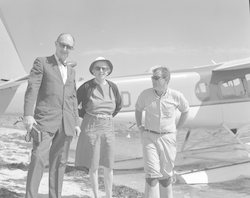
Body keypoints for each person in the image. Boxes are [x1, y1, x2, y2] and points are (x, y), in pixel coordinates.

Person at [23, 33, 81, 198]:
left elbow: (73, 98)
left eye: (68, 47)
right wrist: (28, 114)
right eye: (62, 45)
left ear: (72, 49)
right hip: (44, 121)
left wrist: (76, 122)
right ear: (56, 44)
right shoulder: (42, 62)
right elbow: (32, 88)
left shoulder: (72, 71)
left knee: (59, 164)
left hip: (66, 123)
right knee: (38, 158)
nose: (65, 49)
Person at [135, 66, 189, 198]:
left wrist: (177, 129)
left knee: (165, 176)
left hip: (168, 138)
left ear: (166, 79)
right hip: (149, 136)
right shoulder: (145, 94)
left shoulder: (176, 95)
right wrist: (140, 127)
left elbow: (185, 111)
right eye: (152, 77)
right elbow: (138, 109)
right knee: (152, 174)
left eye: (156, 78)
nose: (152, 80)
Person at [75, 57, 122, 198]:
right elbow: (74, 106)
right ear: (93, 71)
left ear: (108, 71)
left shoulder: (113, 87)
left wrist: (105, 116)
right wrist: (78, 124)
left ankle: (109, 196)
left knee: (108, 164)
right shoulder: (86, 87)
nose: (101, 71)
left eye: (104, 68)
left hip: (108, 126)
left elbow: (118, 106)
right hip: (91, 125)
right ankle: (95, 196)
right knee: (93, 164)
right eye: (97, 68)